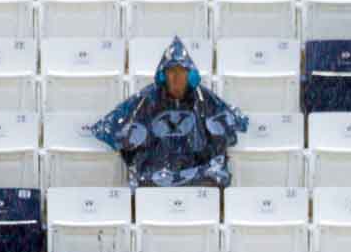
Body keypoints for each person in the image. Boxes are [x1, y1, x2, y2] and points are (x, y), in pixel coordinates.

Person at [87, 38, 248, 189]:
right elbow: (114, 126)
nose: (176, 77)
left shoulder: (203, 98)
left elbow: (232, 122)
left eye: (181, 71)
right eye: (172, 71)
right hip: (154, 172)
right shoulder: (148, 99)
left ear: (189, 73)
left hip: (198, 170)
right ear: (164, 74)